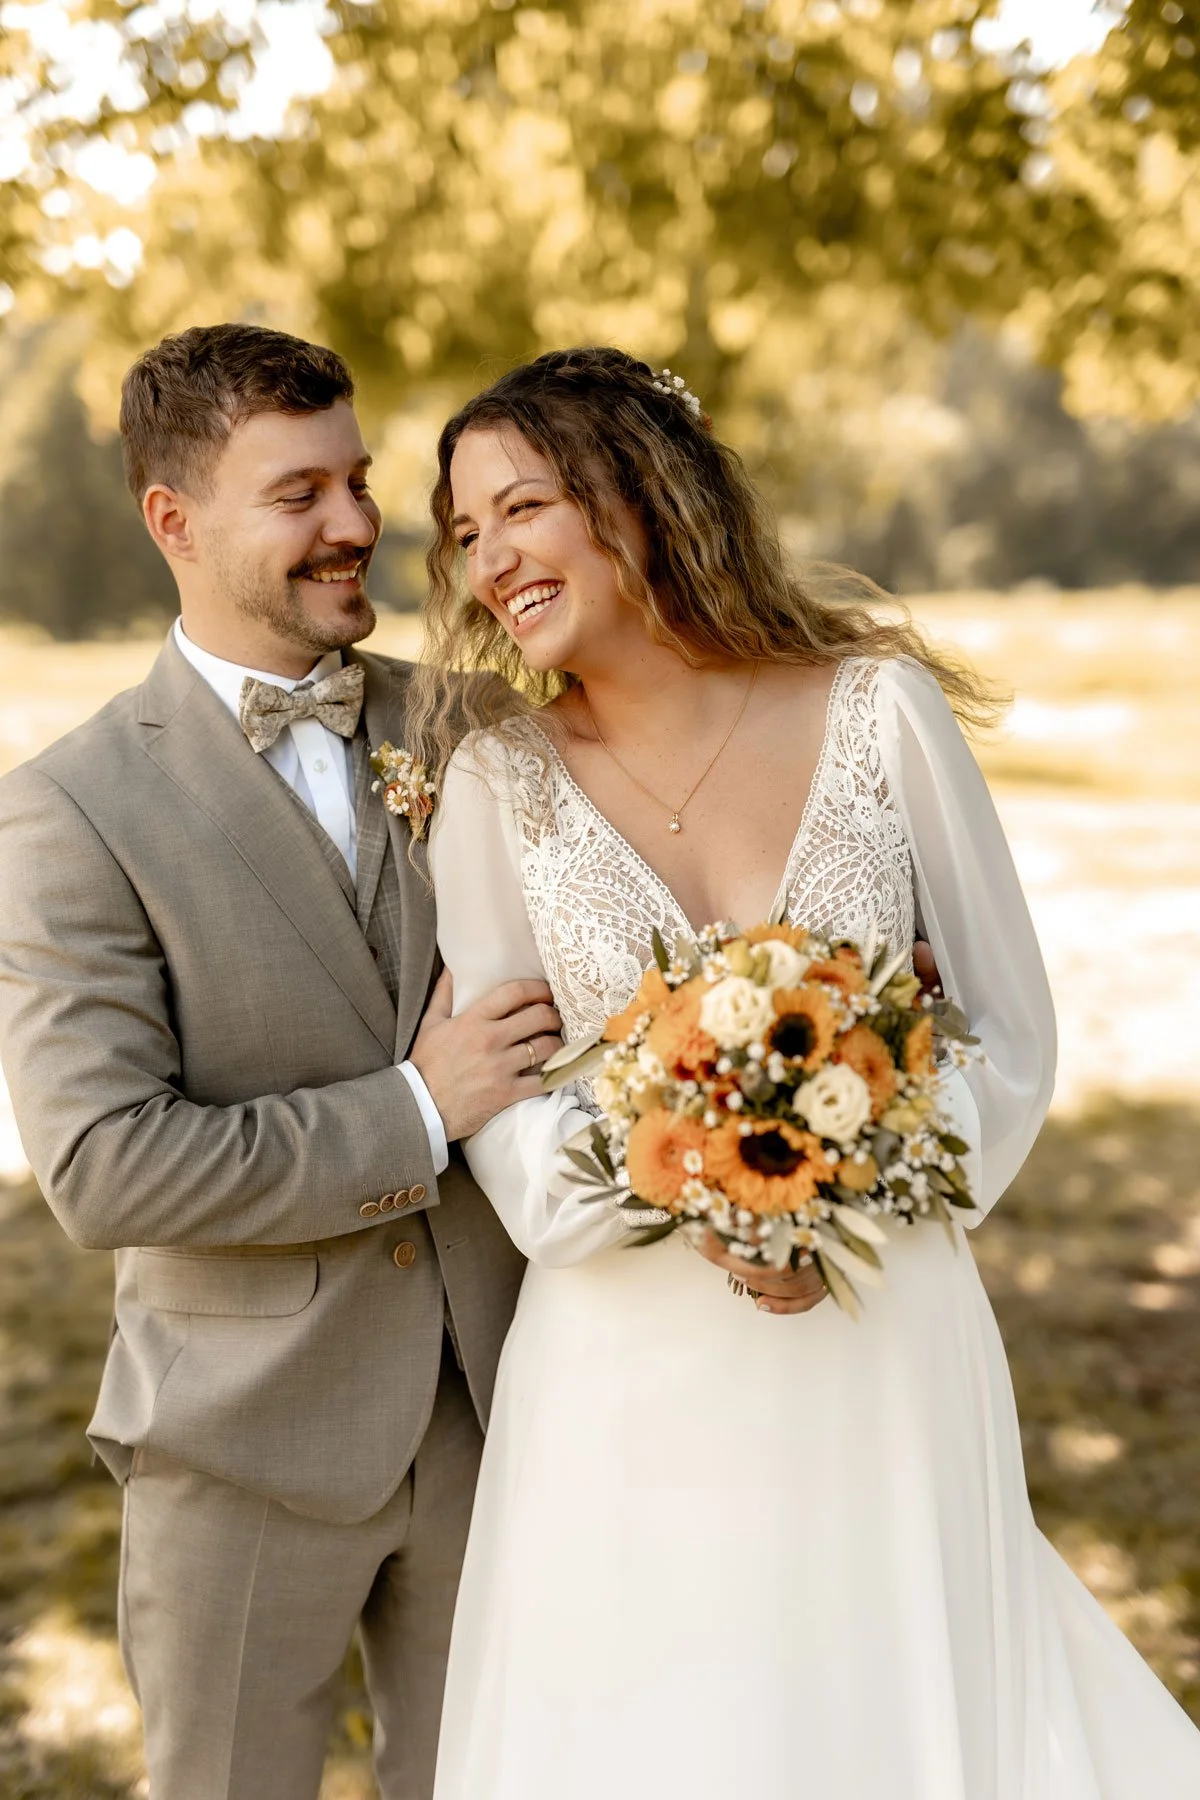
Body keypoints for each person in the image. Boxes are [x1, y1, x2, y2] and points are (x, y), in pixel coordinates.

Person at [416, 346, 1200, 1797]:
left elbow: (1008, 1034)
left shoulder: (877, 712)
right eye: (466, 535)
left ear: (637, 492)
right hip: (623, 1361)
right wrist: (683, 1192)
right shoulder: (496, 783)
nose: (492, 559)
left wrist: (841, 1195)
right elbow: (508, 1116)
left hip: (877, 1326)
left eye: (522, 507)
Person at [0, 323, 564, 1800]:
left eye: (360, 479)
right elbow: (107, 1163)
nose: (359, 525)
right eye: (300, 492)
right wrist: (417, 1111)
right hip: (239, 1448)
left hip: (506, 1414)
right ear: (172, 522)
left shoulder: (477, 721)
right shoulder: (69, 813)